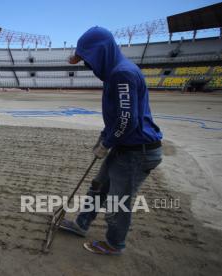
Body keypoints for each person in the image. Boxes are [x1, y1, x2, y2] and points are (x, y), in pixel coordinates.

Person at [60, 26, 163, 255]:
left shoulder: (121, 73)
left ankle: (114, 244)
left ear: (100, 53)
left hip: (137, 150)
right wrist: (104, 137)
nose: (87, 65)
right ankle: (81, 224)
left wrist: (107, 143)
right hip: (124, 145)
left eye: (87, 59)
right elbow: (119, 117)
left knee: (119, 201)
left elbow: (127, 119)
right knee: (98, 187)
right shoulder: (114, 72)